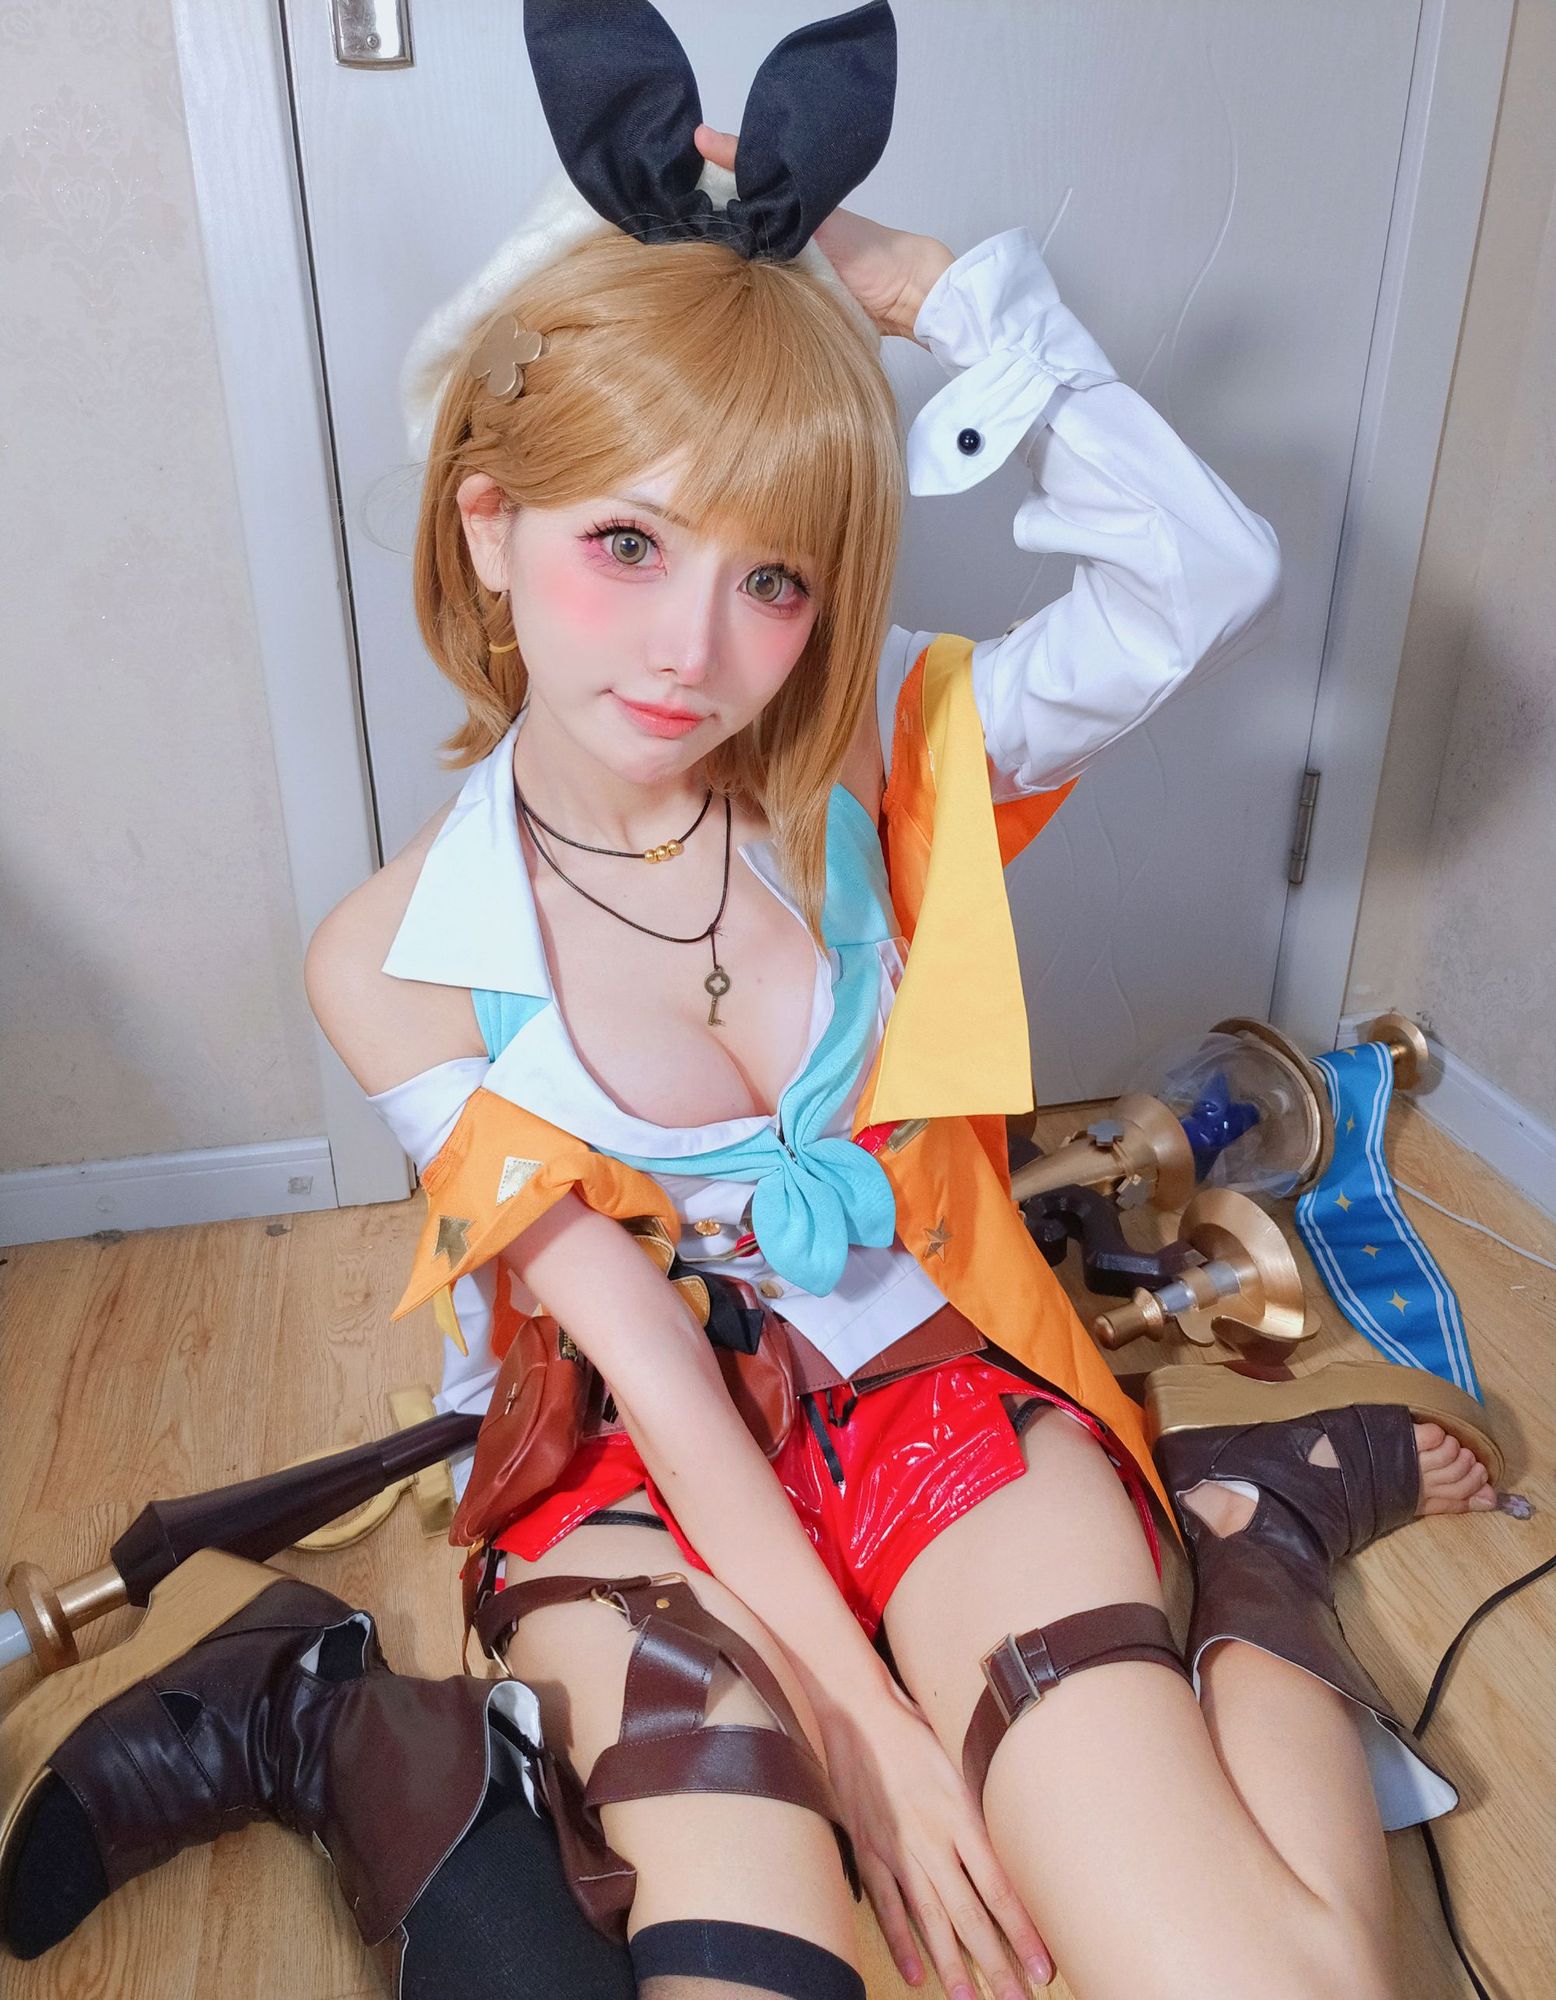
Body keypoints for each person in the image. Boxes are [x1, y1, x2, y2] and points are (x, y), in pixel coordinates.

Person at [300, 7, 1504, 1999]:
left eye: (773, 577)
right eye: (626, 542)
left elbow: (1201, 577)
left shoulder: (864, 750)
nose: (697, 652)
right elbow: (647, 1363)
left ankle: (1259, 1536)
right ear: (487, 526)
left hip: (934, 1385)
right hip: (624, 1467)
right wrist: (864, 1730)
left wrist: (920, 285)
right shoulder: (391, 956)